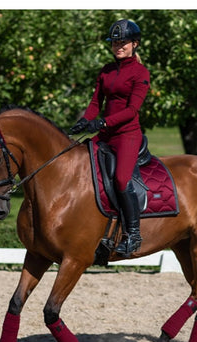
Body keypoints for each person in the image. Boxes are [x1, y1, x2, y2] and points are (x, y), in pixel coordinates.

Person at [71, 19, 150, 257]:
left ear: (134, 44)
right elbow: (96, 102)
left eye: (123, 42)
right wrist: (85, 120)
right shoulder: (105, 70)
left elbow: (132, 110)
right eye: (115, 42)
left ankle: (132, 234)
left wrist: (103, 122)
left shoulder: (140, 73)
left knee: (122, 180)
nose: (118, 46)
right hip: (104, 134)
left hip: (127, 136)